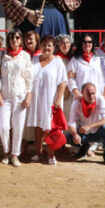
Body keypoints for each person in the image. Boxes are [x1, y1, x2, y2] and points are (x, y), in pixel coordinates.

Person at [0, 29, 33, 167]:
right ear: (9, 40)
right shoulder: (1, 55)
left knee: (18, 126)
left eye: (17, 37)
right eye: (12, 37)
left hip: (20, 95)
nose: (14, 40)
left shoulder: (25, 56)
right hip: (4, 95)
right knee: (3, 126)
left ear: (20, 40)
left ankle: (15, 154)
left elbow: (29, 78)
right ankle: (6, 152)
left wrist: (28, 95)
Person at [26, 35, 67, 165]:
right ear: (40, 46)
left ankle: (51, 154)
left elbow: (62, 82)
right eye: (44, 45)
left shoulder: (58, 62)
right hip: (36, 98)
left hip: (51, 98)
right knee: (38, 125)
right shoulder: (33, 60)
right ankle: (38, 152)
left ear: (54, 47)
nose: (46, 48)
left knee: (51, 128)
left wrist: (59, 99)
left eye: (49, 45)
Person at [66, 83, 105, 166]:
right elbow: (72, 122)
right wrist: (75, 134)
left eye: (93, 93)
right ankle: (84, 147)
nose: (92, 96)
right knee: (68, 137)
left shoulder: (100, 99)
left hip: (98, 132)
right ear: (82, 93)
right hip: (84, 133)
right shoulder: (76, 103)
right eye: (89, 94)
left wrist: (89, 126)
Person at [55, 34, 73, 120]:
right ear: (58, 45)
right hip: (61, 90)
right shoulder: (56, 59)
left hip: (71, 90)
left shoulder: (72, 58)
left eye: (67, 42)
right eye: (63, 43)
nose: (65, 45)